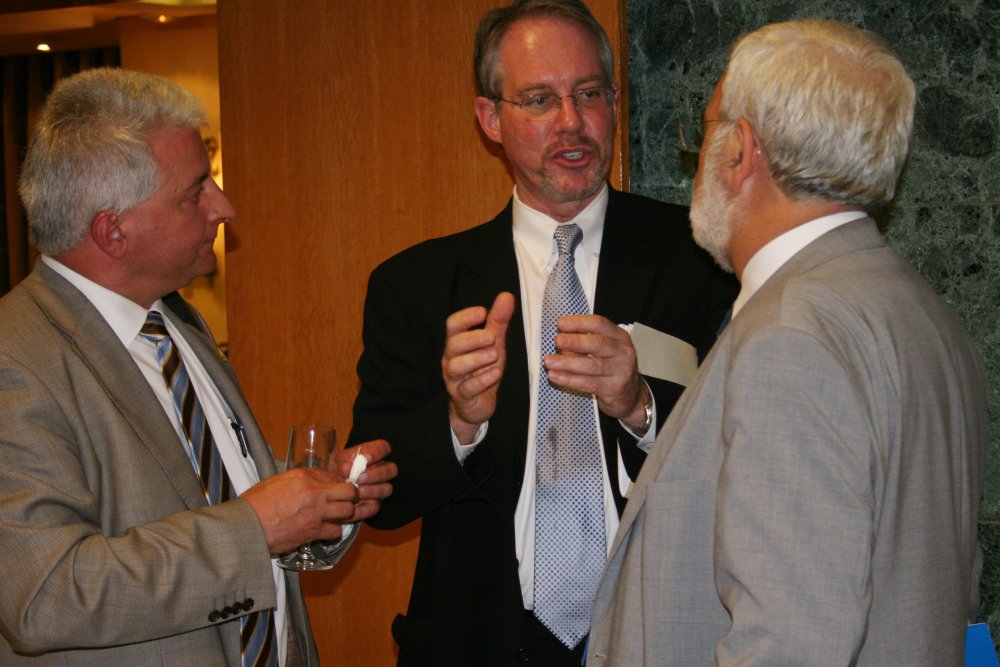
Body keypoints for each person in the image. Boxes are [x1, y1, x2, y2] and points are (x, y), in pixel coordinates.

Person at [587, 19, 987, 666]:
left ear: (741, 151)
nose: (698, 159)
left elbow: (789, 644)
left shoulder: (790, 337)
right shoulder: (920, 309)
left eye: (706, 132)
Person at [347, 0, 735, 664]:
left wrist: (641, 405)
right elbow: (379, 492)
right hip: (479, 645)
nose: (571, 122)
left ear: (615, 103)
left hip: (660, 636)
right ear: (490, 119)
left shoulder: (701, 258)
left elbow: (747, 453)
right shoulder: (416, 285)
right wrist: (458, 423)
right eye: (538, 100)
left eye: (589, 94)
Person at [0, 68, 397, 666]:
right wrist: (255, 527)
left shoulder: (175, 322)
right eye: (195, 192)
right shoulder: (15, 358)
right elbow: (44, 596)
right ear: (113, 231)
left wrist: (314, 502)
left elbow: (194, 493)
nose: (224, 207)